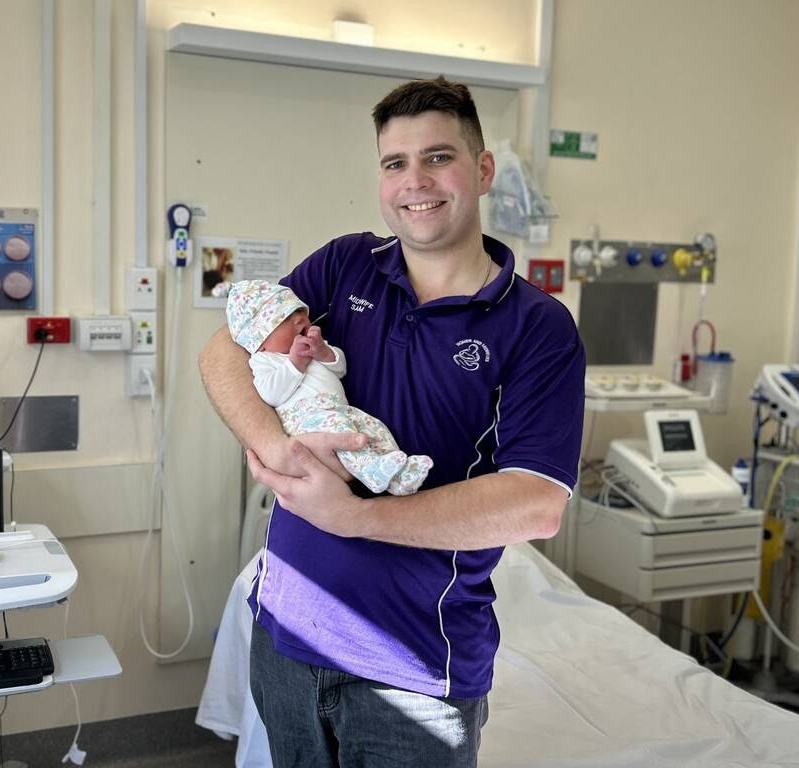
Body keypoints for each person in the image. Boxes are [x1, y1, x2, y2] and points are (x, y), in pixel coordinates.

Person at [199, 76, 585, 767]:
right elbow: (224, 350)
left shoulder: (537, 327)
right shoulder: (348, 265)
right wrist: (275, 448)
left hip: (413, 671)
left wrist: (352, 516)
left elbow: (536, 504)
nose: (416, 182)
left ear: (483, 169)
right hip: (286, 638)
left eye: (438, 157)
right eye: (394, 163)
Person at [226, 278, 433, 496]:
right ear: (260, 341)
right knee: (346, 439)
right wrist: (295, 363)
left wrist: (323, 352)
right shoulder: (265, 360)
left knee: (373, 428)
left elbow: (340, 368)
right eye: (285, 318)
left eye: (299, 311)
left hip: (338, 410)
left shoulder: (314, 348)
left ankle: (396, 470)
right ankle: (372, 470)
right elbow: (271, 394)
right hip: (307, 419)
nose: (299, 319)